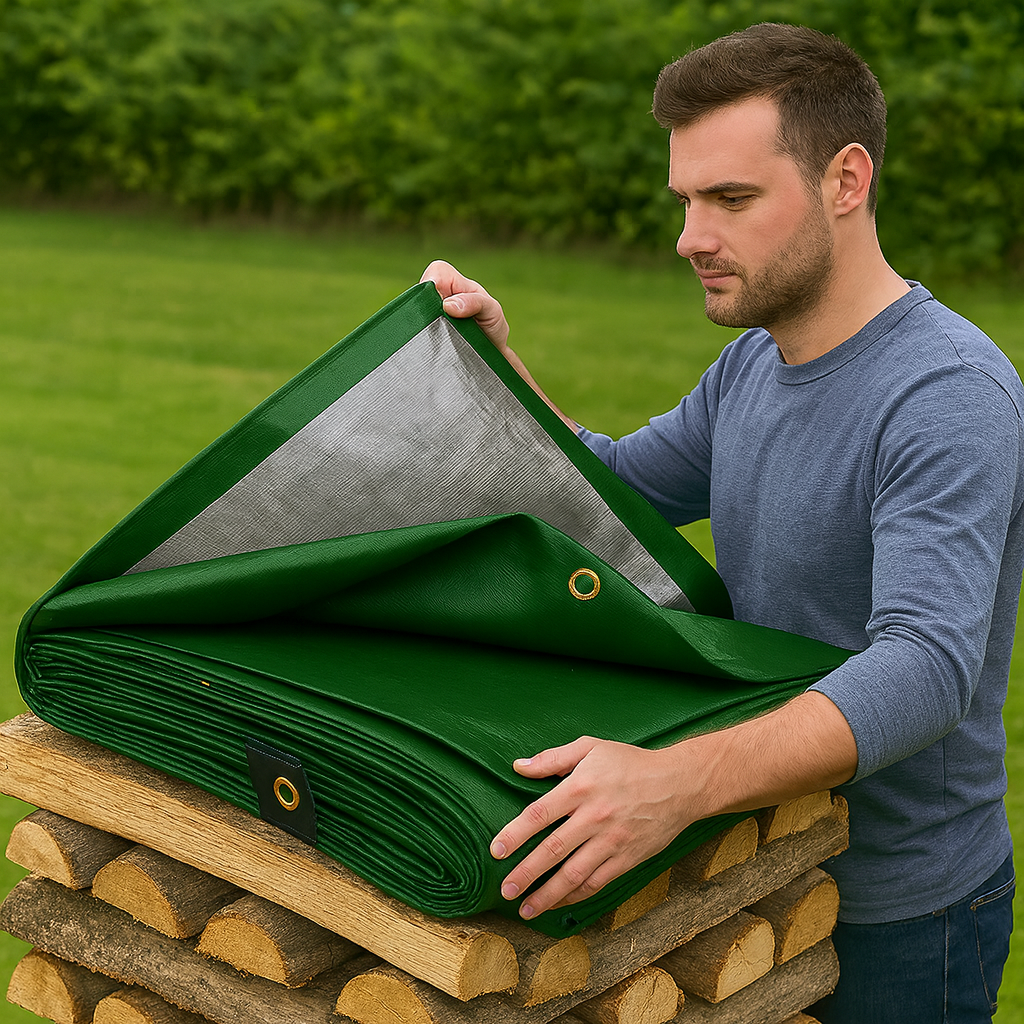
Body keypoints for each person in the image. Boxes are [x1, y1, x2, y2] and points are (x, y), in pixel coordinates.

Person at [421, 22, 1021, 1022]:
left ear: (846, 179)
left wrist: (676, 782)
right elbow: (613, 488)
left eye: (730, 199)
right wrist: (498, 369)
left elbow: (926, 667)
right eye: (686, 200)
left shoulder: (946, 394)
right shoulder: (754, 362)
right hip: (753, 868)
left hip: (899, 917)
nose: (689, 236)